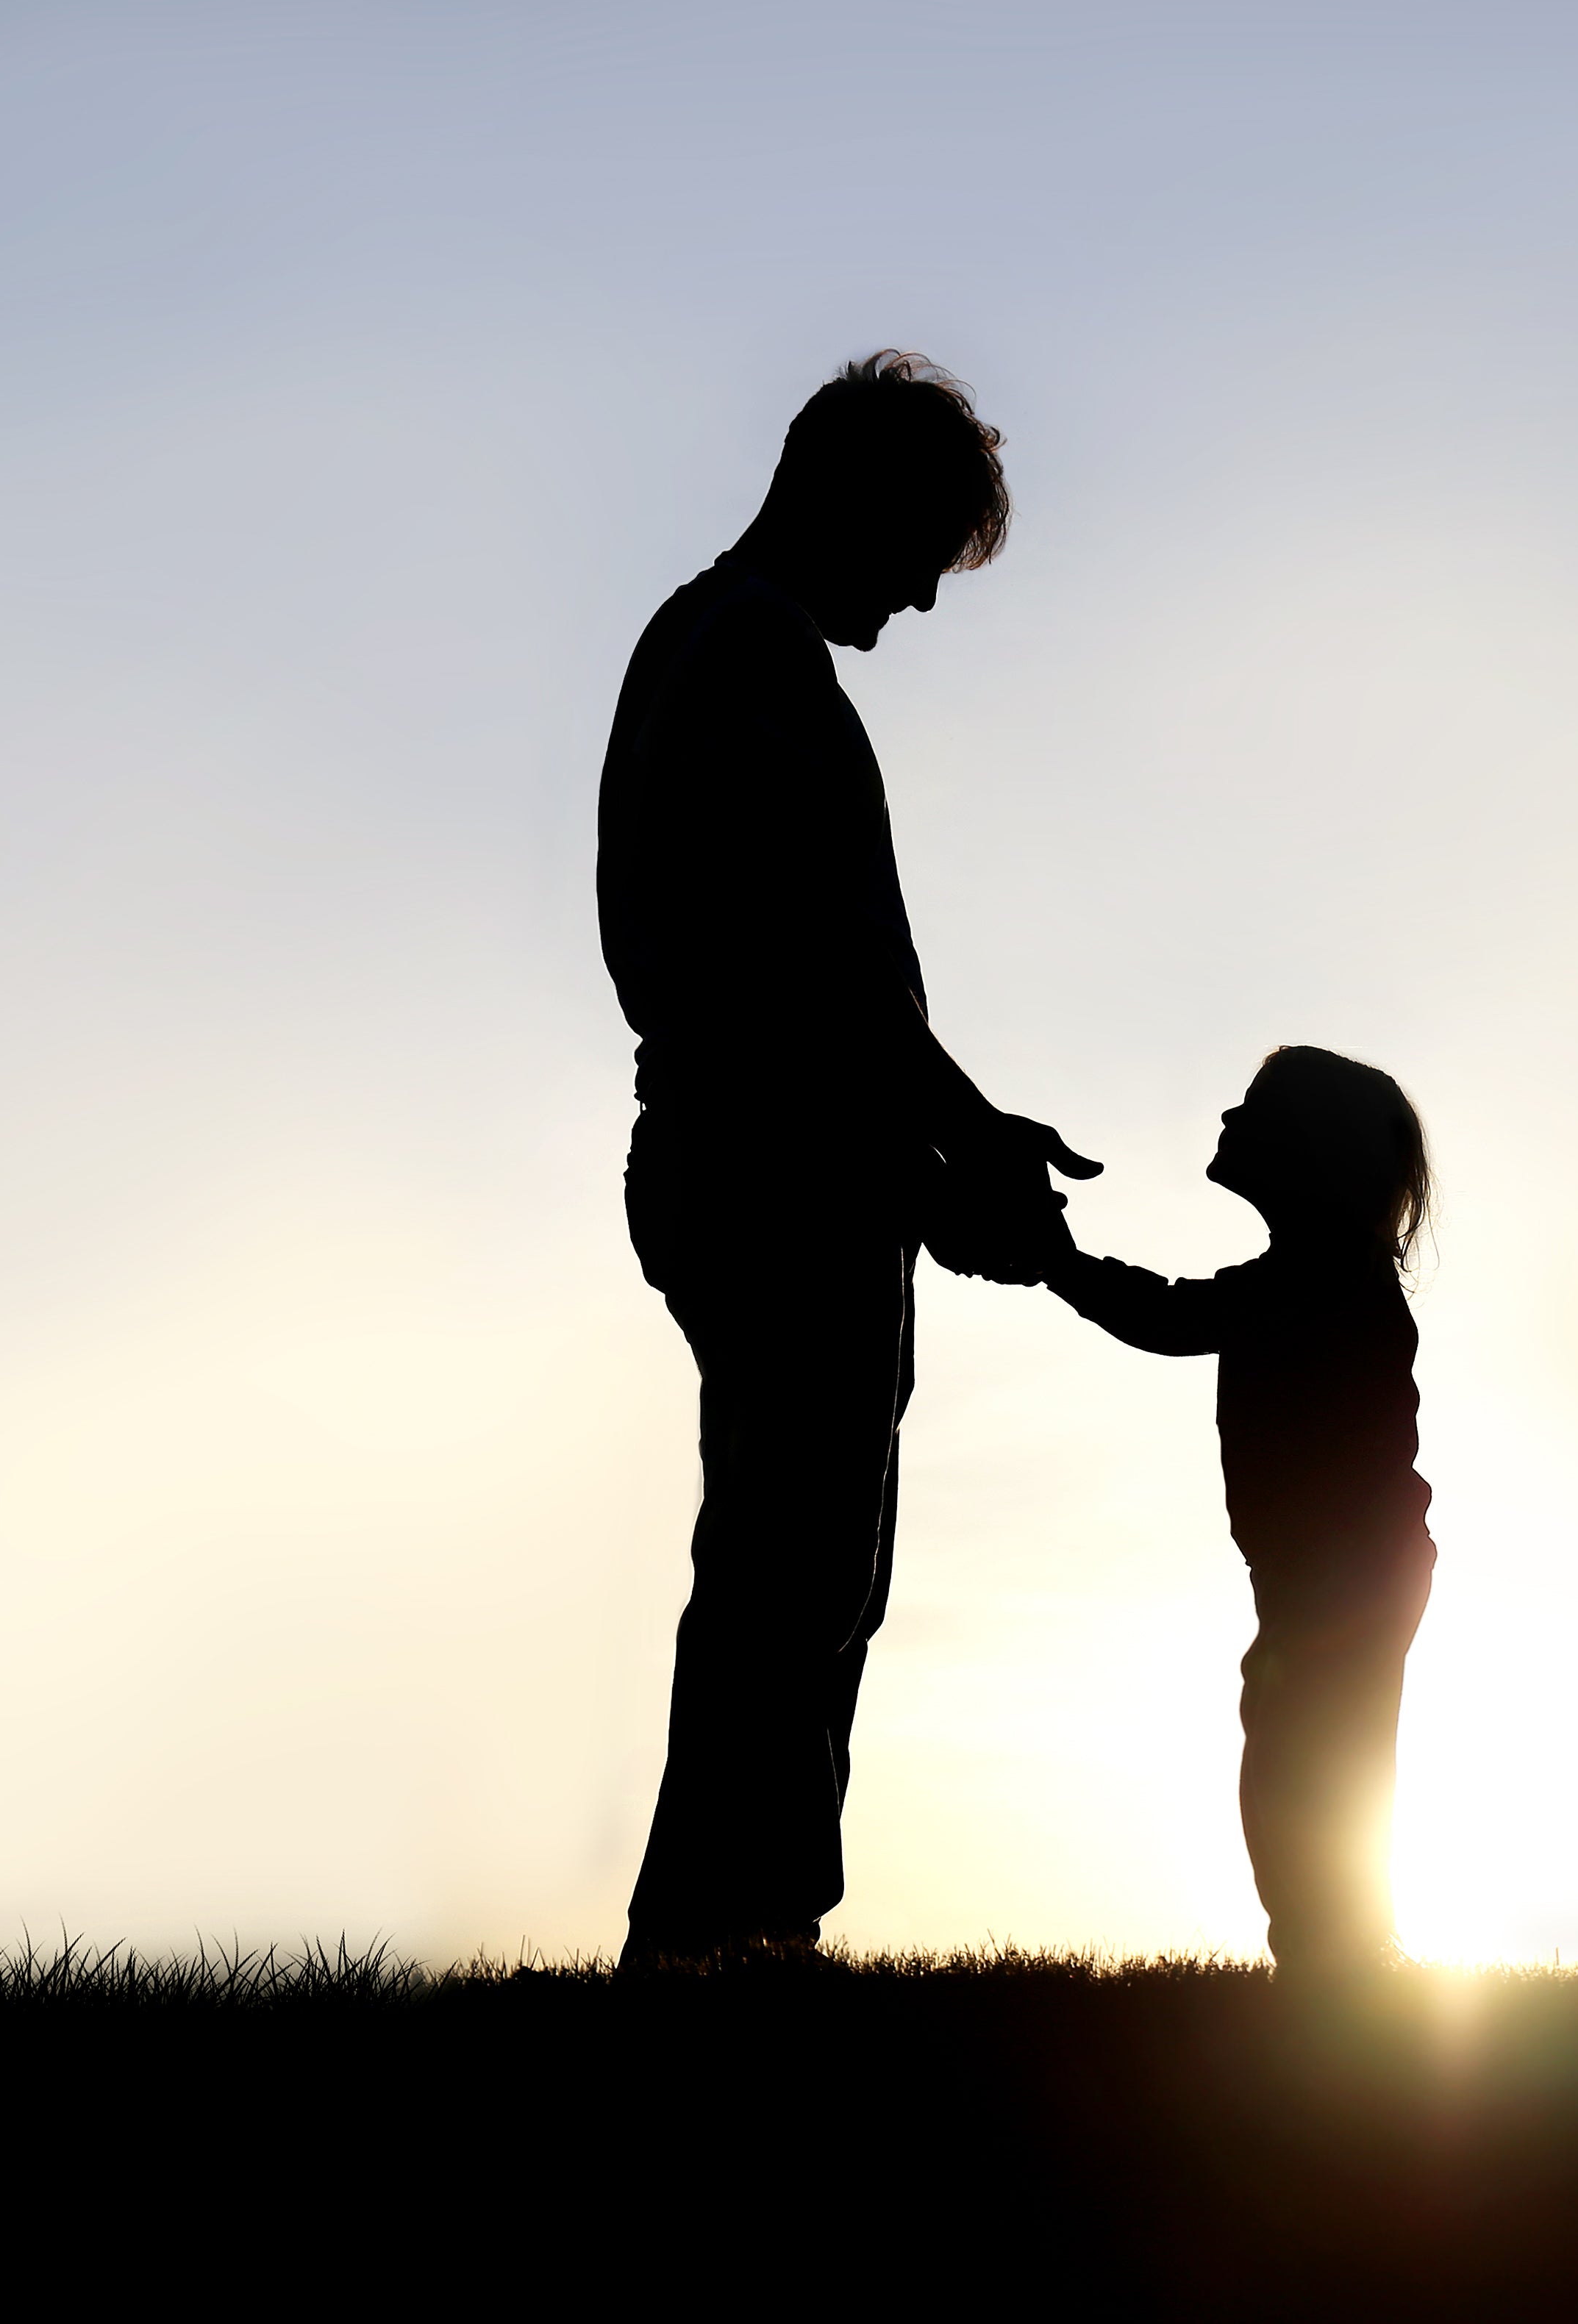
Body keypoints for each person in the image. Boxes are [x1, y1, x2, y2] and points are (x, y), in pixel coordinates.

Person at [596, 351, 1097, 1964]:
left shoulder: (740, 658)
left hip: (780, 1159)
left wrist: (960, 1138)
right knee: (789, 1571)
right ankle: (721, 1941)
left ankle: (742, 1933)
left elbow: (832, 985)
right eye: (925, 548)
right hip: (767, 1169)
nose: (927, 602)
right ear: (853, 494)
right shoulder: (738, 654)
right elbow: (790, 980)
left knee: (805, 1566)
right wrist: (934, 1162)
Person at [1038, 1047, 1435, 1973]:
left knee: (1308, 1753)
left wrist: (1057, 1263)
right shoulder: (1319, 1273)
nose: (1227, 1115)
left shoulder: (1321, 1278)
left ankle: (1332, 1949)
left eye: (1254, 1107)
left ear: (1309, 1152)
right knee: (1316, 1750)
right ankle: (1335, 1947)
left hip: (1347, 1568)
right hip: (1344, 1566)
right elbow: (1182, 1315)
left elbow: (1172, 1318)